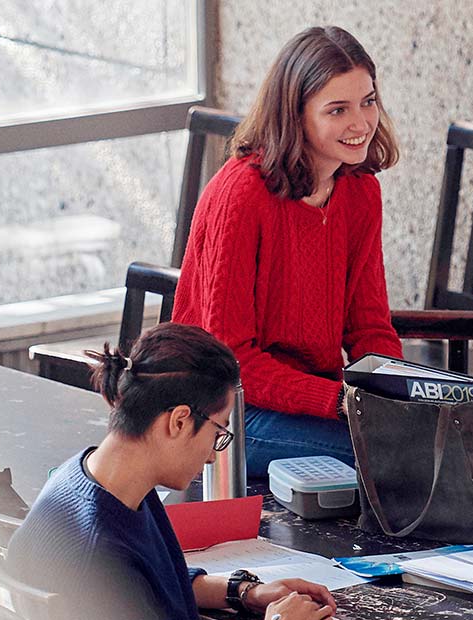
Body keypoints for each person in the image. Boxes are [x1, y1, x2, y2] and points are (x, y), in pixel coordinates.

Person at [172, 26, 403, 476]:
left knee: (438, 443)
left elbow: (369, 327)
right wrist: (340, 401)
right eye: (338, 110)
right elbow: (230, 360)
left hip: (317, 402)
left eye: (368, 101)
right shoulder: (242, 196)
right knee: (395, 461)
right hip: (223, 412)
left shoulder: (361, 192)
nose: (361, 124)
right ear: (295, 115)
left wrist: (395, 390)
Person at [4, 323, 336, 620]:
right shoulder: (101, 553)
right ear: (178, 421)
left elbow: (150, 586)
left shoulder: (90, 477)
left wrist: (244, 592)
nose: (212, 456)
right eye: (218, 433)